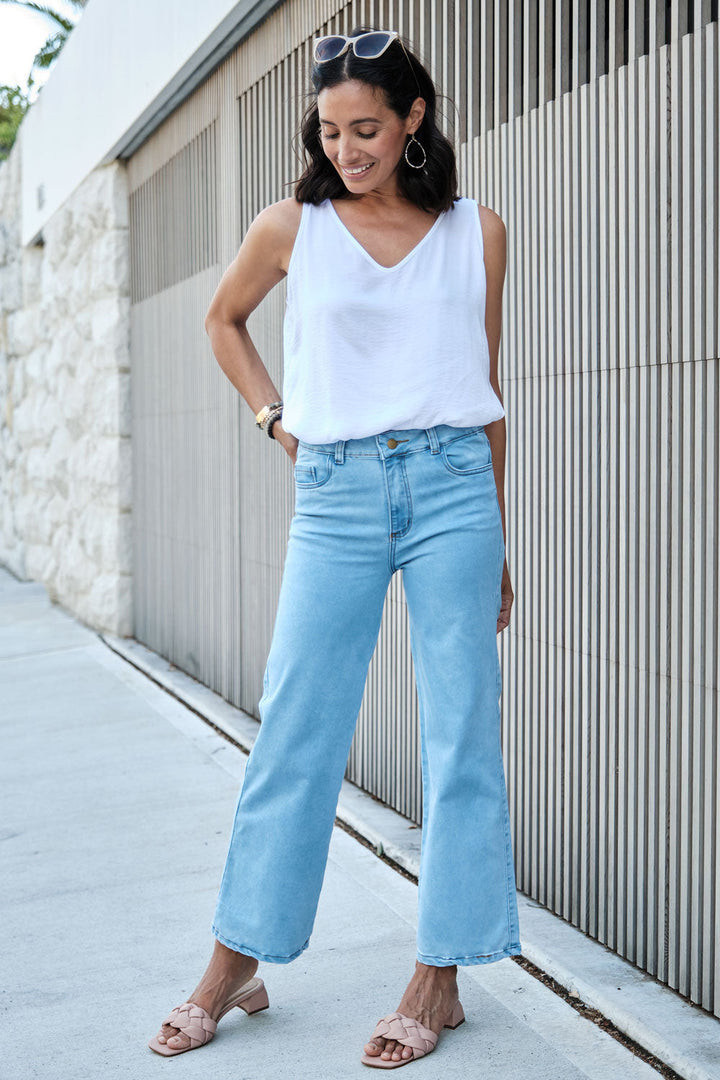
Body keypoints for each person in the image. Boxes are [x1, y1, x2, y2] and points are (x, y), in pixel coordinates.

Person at [148, 26, 521, 1070]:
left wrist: (498, 532)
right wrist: (278, 420)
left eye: (367, 128)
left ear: (413, 120)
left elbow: (484, 385)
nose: (348, 149)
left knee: (462, 735)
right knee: (296, 729)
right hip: (338, 489)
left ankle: (438, 976)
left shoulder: (476, 232)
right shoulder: (290, 227)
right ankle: (235, 963)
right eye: (330, 130)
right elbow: (223, 322)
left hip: (454, 487)